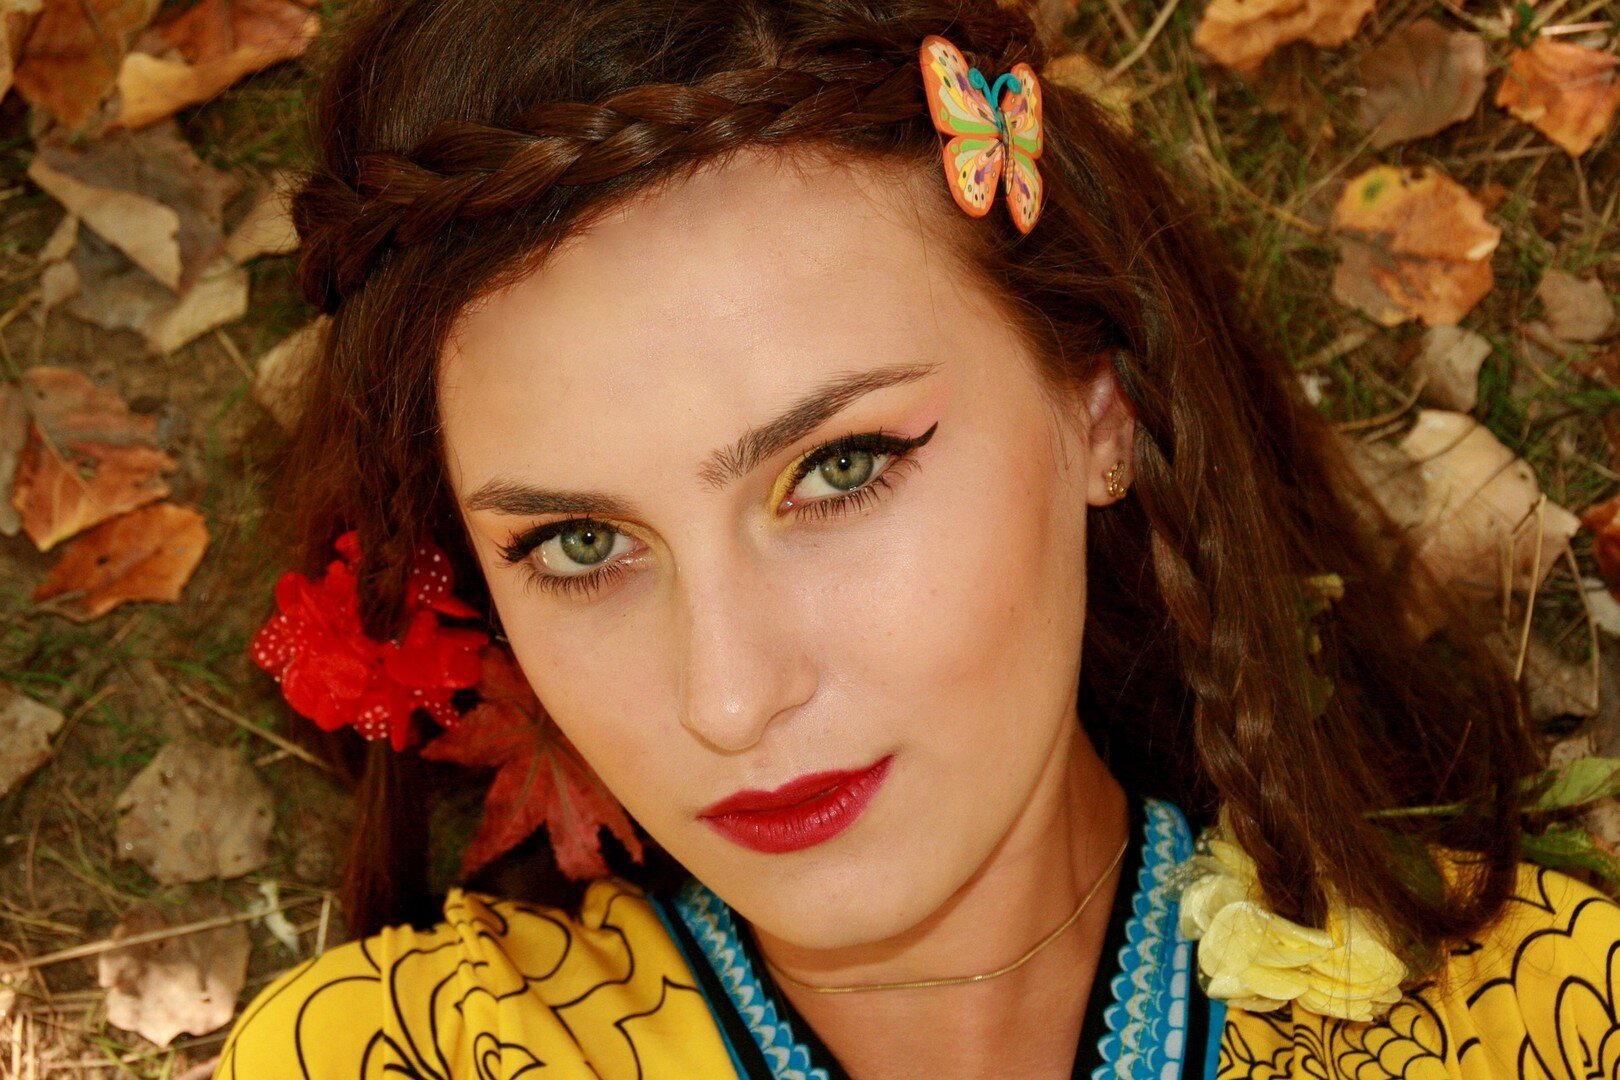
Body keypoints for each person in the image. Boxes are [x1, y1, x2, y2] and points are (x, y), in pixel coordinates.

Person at [217, 0, 1620, 1076]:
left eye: (838, 470)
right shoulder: (385, 1061)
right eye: (581, 545)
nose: (729, 698)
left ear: (1102, 410)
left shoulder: (1545, 1026)